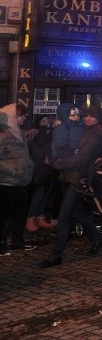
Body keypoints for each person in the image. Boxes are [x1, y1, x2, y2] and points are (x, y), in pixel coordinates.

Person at [39, 107, 102, 268]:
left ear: (99, 118)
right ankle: (98, 240)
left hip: (79, 177)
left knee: (64, 216)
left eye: (92, 116)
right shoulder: (82, 129)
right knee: (77, 212)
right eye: (86, 115)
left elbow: (81, 158)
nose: (87, 118)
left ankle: (56, 255)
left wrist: (59, 163)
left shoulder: (96, 134)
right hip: (70, 175)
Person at [0, 108, 35, 253]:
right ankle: (1, 244)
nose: (23, 119)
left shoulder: (20, 133)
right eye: (21, 117)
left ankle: (17, 241)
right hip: (7, 182)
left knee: (19, 214)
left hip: (22, 181)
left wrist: (30, 166)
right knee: (4, 215)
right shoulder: (2, 135)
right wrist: (13, 171)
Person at [25, 115, 57, 232]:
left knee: (45, 194)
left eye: (47, 119)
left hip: (48, 168)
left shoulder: (48, 133)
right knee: (38, 194)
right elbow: (35, 151)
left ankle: (40, 217)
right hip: (39, 168)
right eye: (42, 120)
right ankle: (31, 218)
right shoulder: (36, 134)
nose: (45, 122)